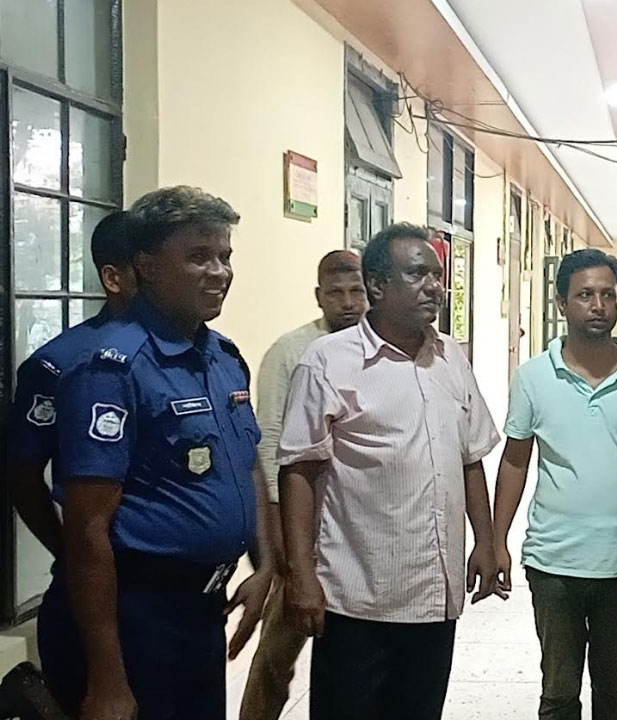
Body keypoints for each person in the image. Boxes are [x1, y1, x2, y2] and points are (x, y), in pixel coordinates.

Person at [41, 186, 275, 720]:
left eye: (224, 256)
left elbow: (246, 464)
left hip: (201, 609)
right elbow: (87, 529)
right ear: (145, 265)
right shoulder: (111, 370)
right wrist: (107, 678)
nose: (219, 272)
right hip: (134, 616)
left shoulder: (222, 358)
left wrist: (265, 566)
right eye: (199, 257)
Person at [277, 223, 502, 720]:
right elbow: (299, 471)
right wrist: (301, 574)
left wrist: (485, 543)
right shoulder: (328, 362)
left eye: (437, 275)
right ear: (377, 285)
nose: (434, 286)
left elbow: (470, 458)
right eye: (418, 274)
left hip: (435, 597)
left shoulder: (450, 358)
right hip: (358, 598)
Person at [493, 248, 617, 720]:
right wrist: (496, 542)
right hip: (554, 563)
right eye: (585, 295)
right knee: (558, 691)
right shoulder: (533, 377)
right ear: (561, 303)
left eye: (608, 295)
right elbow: (514, 462)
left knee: (614, 689)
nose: (598, 306)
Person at [239, 250, 366, 720]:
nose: (348, 303)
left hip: (354, 528)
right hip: (300, 526)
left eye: (356, 291)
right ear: (319, 296)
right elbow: (271, 441)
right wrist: (280, 539)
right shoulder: (291, 351)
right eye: (336, 293)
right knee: (277, 653)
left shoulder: (376, 349)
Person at [7, 211, 139, 560]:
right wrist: (71, 558)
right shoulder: (61, 362)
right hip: (112, 570)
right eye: (146, 267)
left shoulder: (199, 354)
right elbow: (23, 475)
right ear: (113, 278)